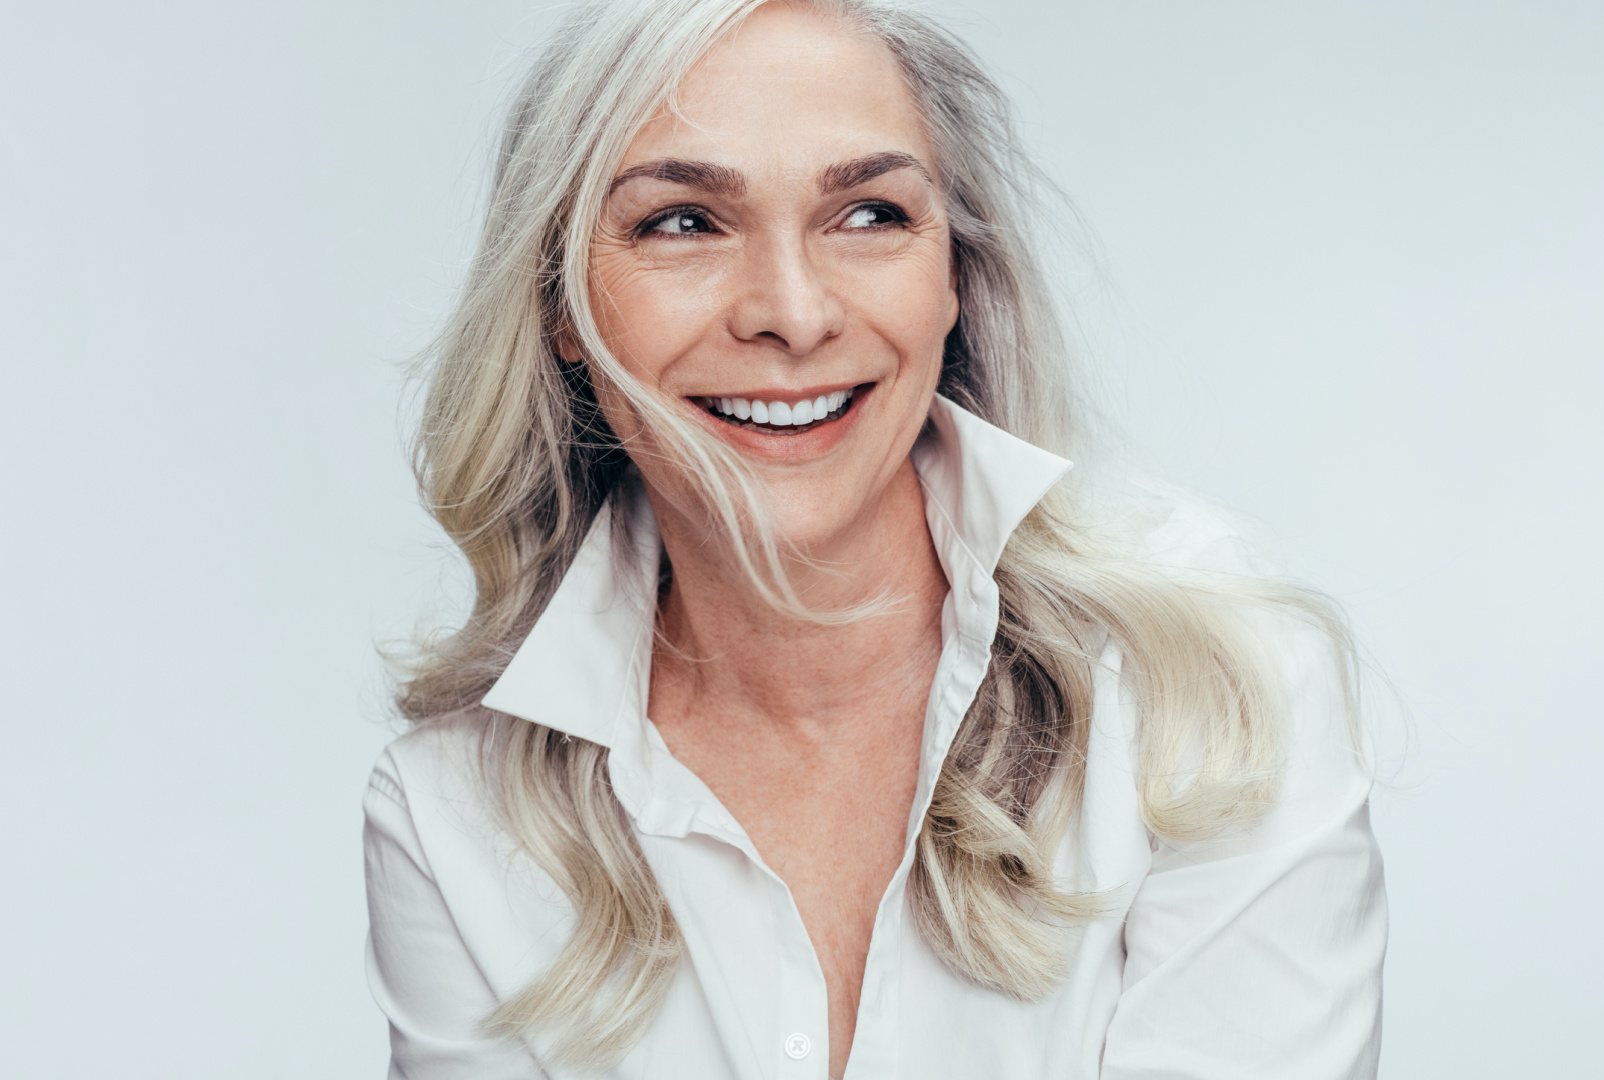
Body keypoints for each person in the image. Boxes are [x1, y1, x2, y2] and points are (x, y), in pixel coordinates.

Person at [362, 1, 1386, 1076]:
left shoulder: (1213, 671)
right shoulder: (450, 815)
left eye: (868, 215)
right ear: (561, 305)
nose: (793, 315)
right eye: (682, 223)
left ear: (955, 281)